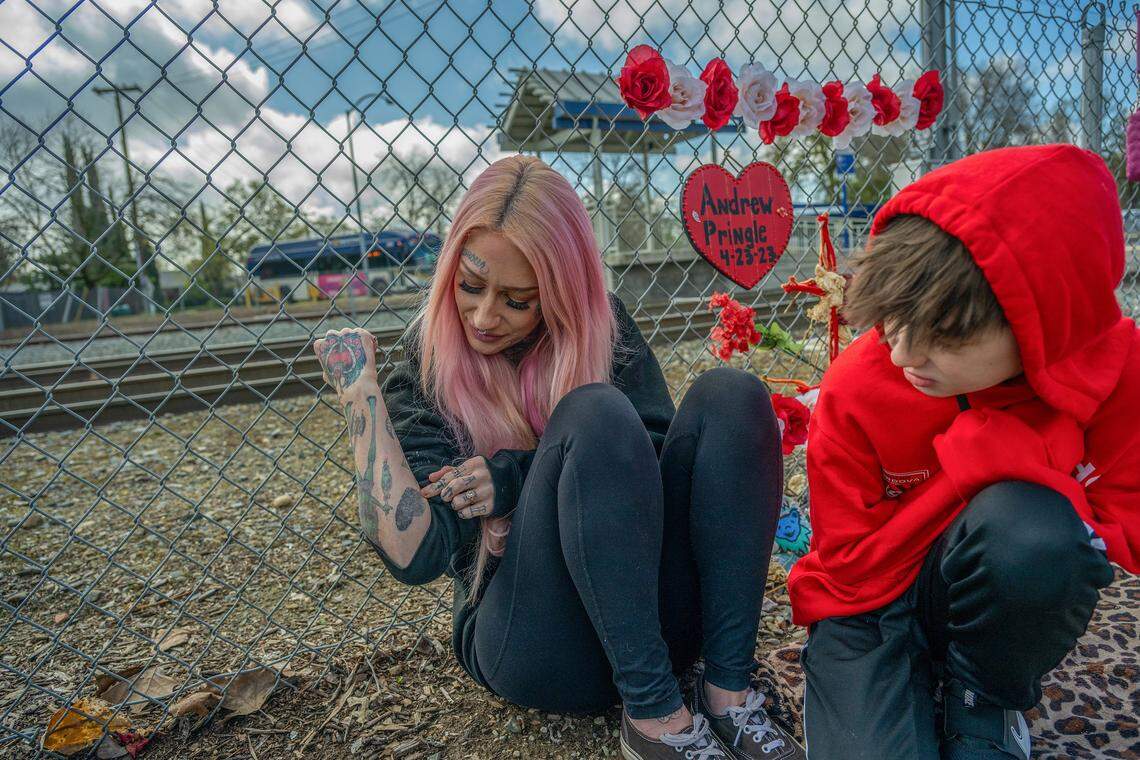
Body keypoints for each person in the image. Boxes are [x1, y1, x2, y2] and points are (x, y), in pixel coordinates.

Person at [313, 155, 804, 760]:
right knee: (593, 412)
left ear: (560, 294)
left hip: (650, 626)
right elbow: (414, 556)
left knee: (733, 395)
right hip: (536, 643)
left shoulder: (603, 327)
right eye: (470, 286)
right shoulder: (428, 364)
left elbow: (650, 466)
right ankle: (655, 723)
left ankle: (729, 694)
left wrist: (517, 475)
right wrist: (362, 398)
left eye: (518, 300)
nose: (486, 316)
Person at [789, 143, 1140, 760]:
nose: (902, 356)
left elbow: (1119, 533)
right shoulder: (860, 384)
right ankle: (902, 685)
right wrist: (974, 472)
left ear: (1041, 322)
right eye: (893, 322)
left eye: (941, 338)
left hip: (975, 595)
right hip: (866, 609)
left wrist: (1022, 470)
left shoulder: (1114, 371)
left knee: (1035, 536)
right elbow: (848, 569)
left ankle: (984, 694)